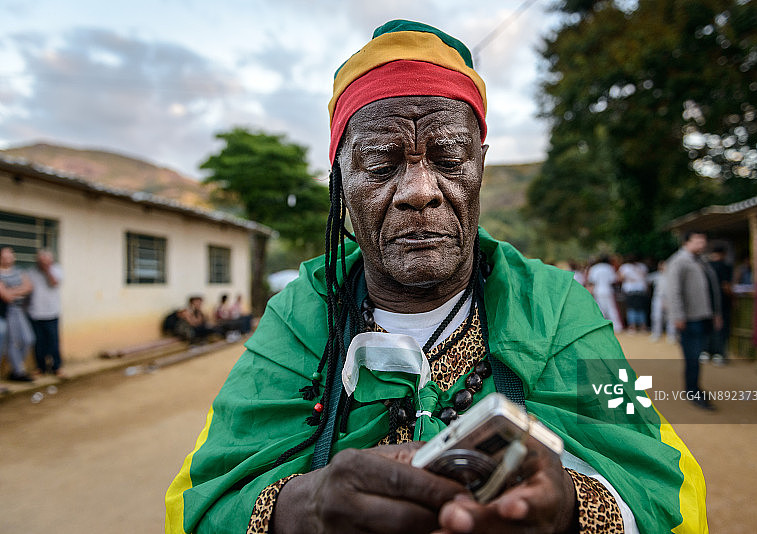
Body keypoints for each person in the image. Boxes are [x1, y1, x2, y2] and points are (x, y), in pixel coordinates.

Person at [166, 20, 707, 534]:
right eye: (380, 164)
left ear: (481, 166)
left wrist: (568, 507)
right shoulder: (300, 315)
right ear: (341, 181)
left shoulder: (556, 305)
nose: (419, 190)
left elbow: (665, 484)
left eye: (448, 159)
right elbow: (203, 499)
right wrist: (303, 509)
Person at [664, 231, 722, 410]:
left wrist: (716, 312)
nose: (702, 243)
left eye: (703, 240)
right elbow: (673, 291)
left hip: (703, 315)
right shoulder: (678, 261)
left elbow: (712, 289)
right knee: (692, 355)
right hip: (689, 318)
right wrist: (678, 316)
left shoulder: (701, 261)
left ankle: (695, 387)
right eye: (698, 240)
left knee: (697, 355)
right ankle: (692, 391)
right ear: (686, 242)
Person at [27, 249, 65, 378]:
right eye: (40, 260)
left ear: (51, 260)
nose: (43, 263)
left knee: (53, 342)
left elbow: (54, 283)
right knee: (39, 343)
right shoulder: (31, 272)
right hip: (35, 313)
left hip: (51, 312)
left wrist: (47, 270)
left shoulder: (56, 269)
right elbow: (27, 290)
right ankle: (41, 368)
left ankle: (57, 367)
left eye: (46, 260)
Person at [0, 246, 35, 382]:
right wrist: (20, 290)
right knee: (13, 341)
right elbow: (6, 297)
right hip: (8, 311)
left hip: (20, 310)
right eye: (4, 256)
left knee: (28, 339)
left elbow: (29, 287)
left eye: (10, 256)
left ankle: (16, 369)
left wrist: (11, 290)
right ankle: (18, 371)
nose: (7, 259)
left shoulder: (20, 271)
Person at [706, 245, 732, 365]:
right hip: (722, 303)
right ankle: (719, 353)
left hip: (706, 304)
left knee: (708, 327)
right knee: (721, 327)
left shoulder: (705, 266)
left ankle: (706, 352)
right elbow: (726, 285)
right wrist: (732, 296)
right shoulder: (724, 267)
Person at [586, 255, 623, 332]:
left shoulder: (595, 268)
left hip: (598, 290)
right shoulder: (609, 268)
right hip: (608, 290)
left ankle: (601, 326)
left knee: (600, 309)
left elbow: (591, 280)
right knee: (612, 308)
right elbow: (613, 280)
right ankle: (617, 327)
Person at [618, 255, 649, 333]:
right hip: (641, 289)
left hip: (630, 290)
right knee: (641, 308)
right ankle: (643, 326)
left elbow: (620, 278)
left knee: (631, 308)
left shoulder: (625, 267)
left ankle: (632, 326)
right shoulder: (642, 266)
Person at [648, 260, 676, 343]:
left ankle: (671, 334)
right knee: (656, 316)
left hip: (670, 298)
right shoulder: (657, 275)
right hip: (658, 297)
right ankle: (656, 333)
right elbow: (646, 279)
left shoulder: (672, 276)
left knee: (670, 317)